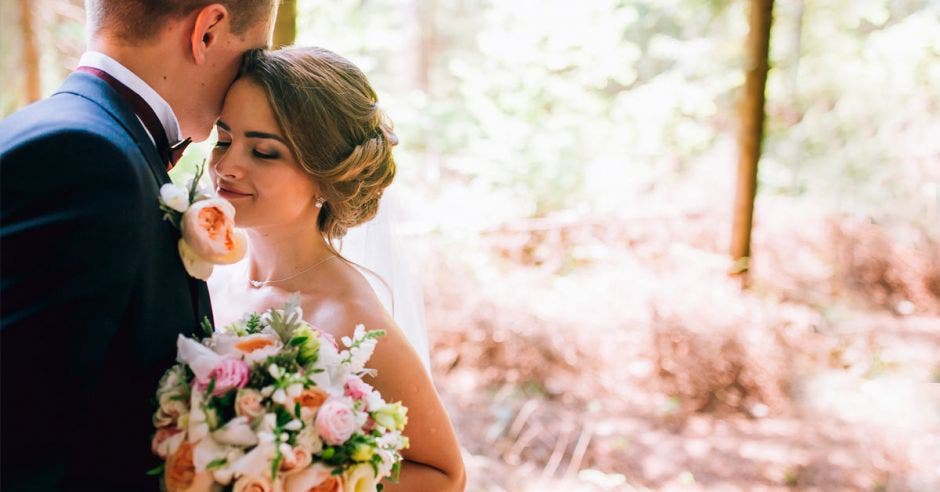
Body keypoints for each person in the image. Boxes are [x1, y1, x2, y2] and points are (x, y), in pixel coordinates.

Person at [0, 1, 276, 490]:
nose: (248, 78)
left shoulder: (80, 135)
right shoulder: (89, 159)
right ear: (208, 32)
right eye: (253, 55)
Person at [207, 47, 467, 491]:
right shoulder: (209, 268)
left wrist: (303, 481)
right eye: (224, 139)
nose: (227, 166)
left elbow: (445, 475)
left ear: (324, 177)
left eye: (264, 152)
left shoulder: (346, 313)